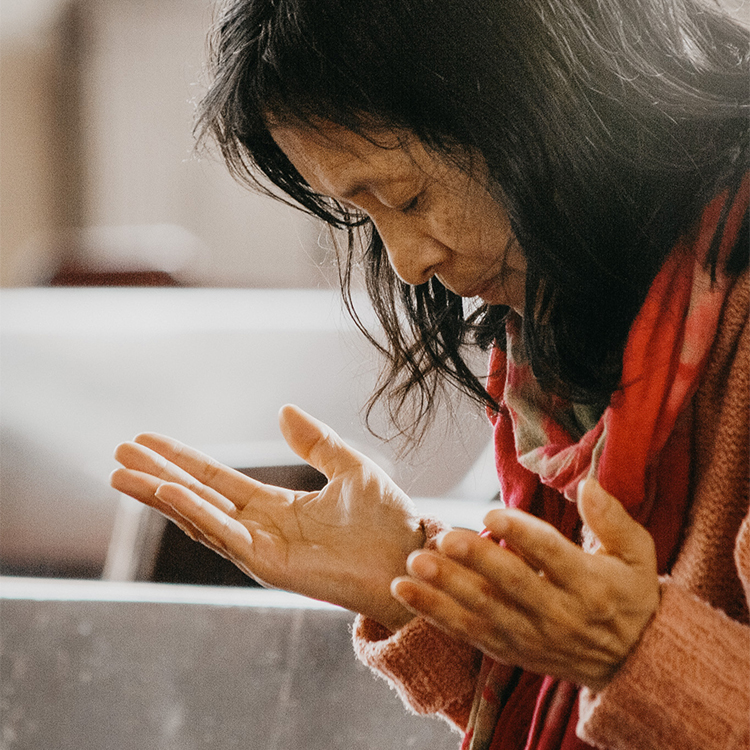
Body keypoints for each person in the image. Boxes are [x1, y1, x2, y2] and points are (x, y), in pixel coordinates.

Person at [110, 0, 749, 748]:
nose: (410, 263)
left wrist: (637, 655)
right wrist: (415, 578)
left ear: (548, 104)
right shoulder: (576, 335)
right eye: (363, 214)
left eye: (409, 197)